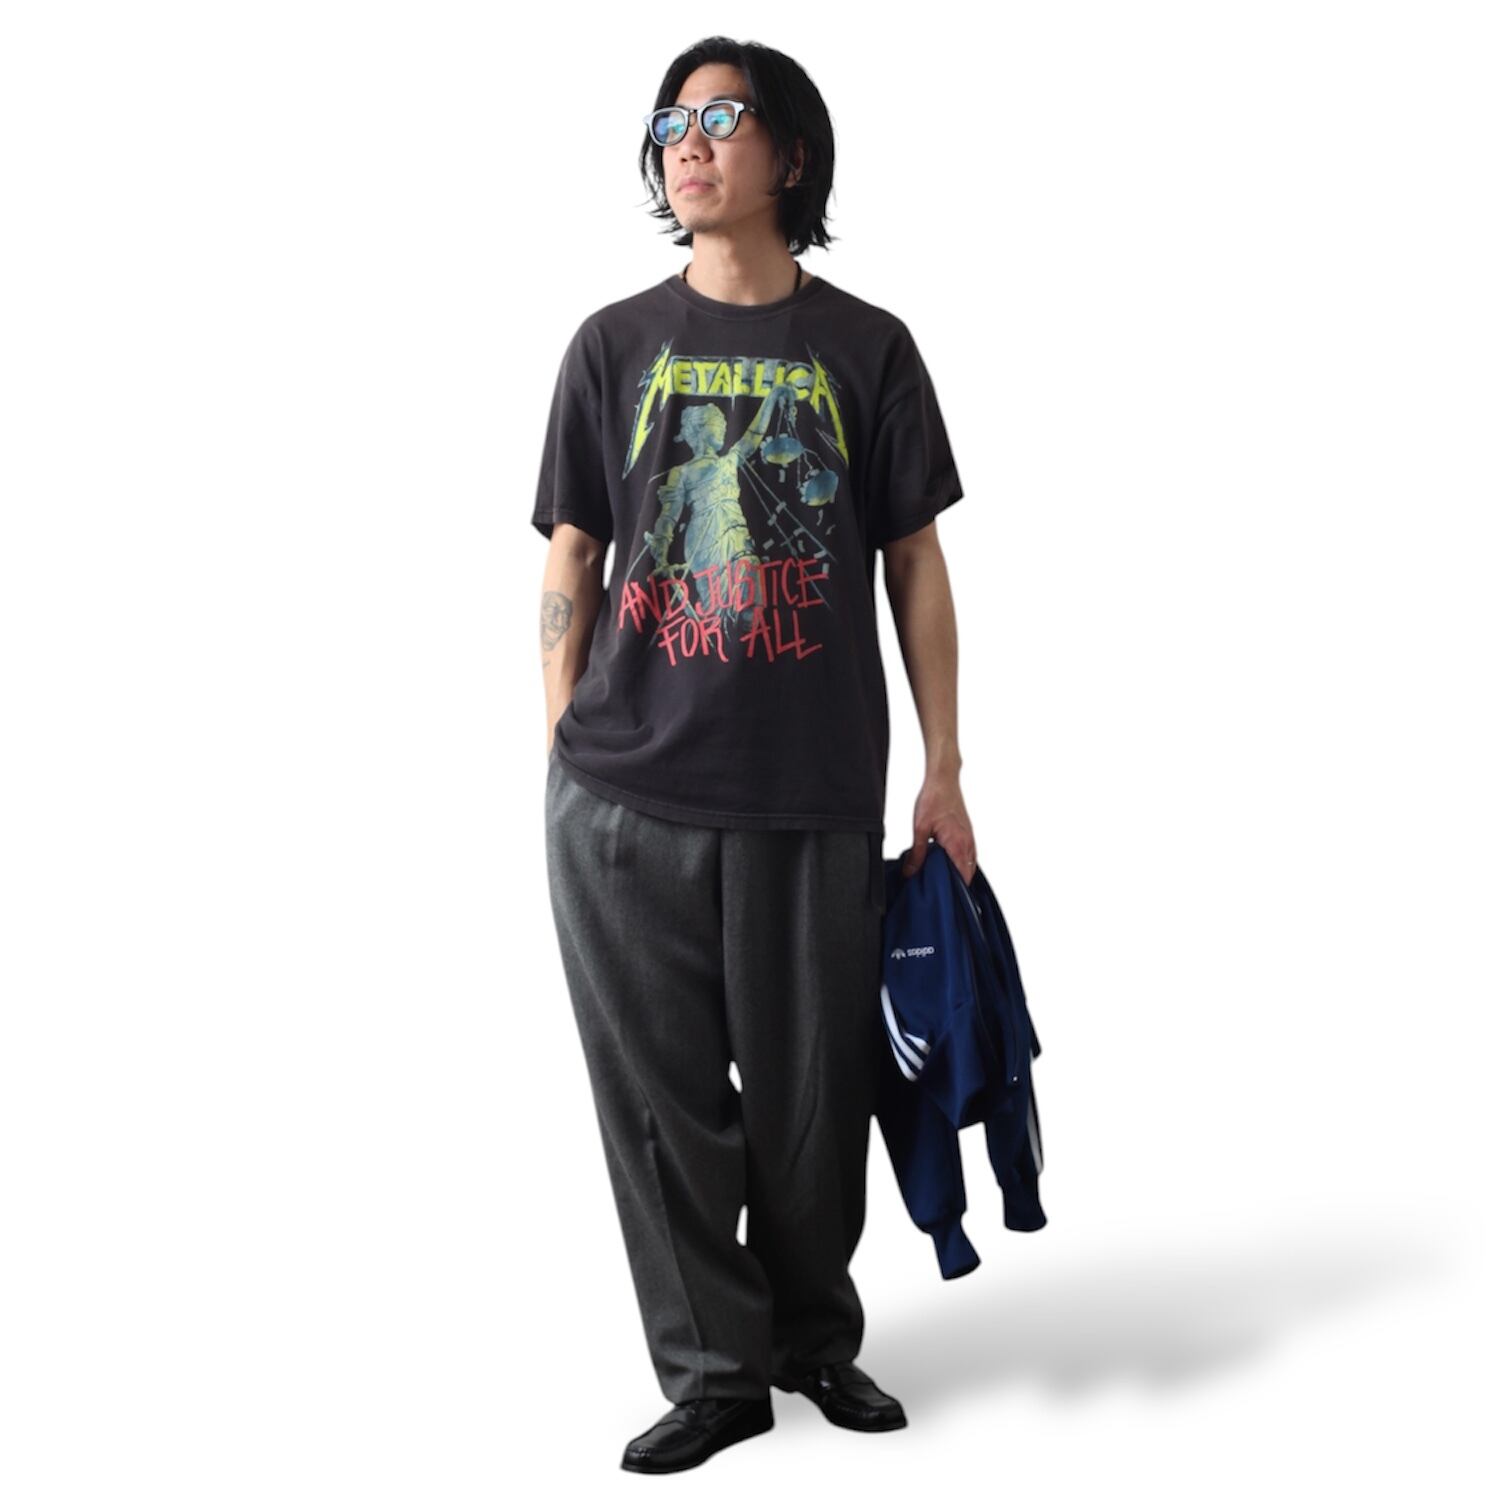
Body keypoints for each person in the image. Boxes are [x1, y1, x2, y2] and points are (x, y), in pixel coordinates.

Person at [534, 36, 977, 1474]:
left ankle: (811, 1343)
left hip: (811, 789)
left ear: (791, 153)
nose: (690, 140)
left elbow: (915, 563)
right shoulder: (610, 345)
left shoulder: (869, 348)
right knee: (660, 1109)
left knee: (811, 1102)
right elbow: (574, 551)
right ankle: (714, 1376)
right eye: (673, 120)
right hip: (626, 795)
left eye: (723, 116)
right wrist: (566, 741)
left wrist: (944, 769)